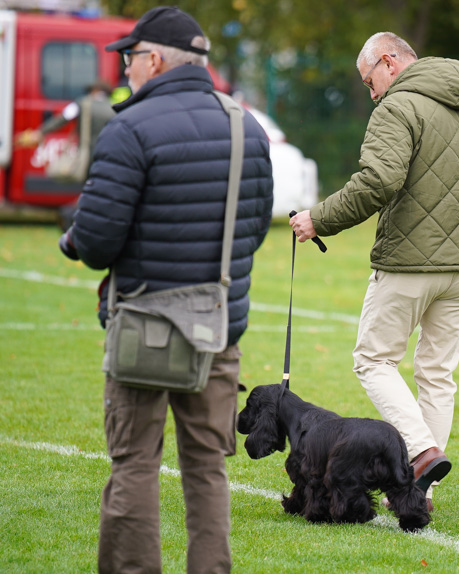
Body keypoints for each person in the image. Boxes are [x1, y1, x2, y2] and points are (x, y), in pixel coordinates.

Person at [57, 6, 275, 571]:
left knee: (134, 465)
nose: (126, 69)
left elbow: (98, 243)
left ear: (153, 60)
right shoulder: (244, 124)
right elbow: (253, 230)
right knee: (208, 469)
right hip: (218, 326)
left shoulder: (129, 126)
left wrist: (72, 239)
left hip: (145, 327)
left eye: (130, 58)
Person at [289, 32, 459, 509]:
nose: (372, 93)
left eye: (370, 81)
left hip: (411, 263)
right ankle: (419, 493)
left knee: (373, 359)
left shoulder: (396, 108)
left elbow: (379, 180)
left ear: (389, 62)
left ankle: (419, 453)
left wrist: (318, 218)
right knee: (436, 374)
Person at [15, 79, 115, 159]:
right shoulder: (114, 107)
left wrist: (41, 131)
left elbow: (62, 119)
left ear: (94, 91)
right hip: (108, 155)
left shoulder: (81, 103)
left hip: (87, 155)